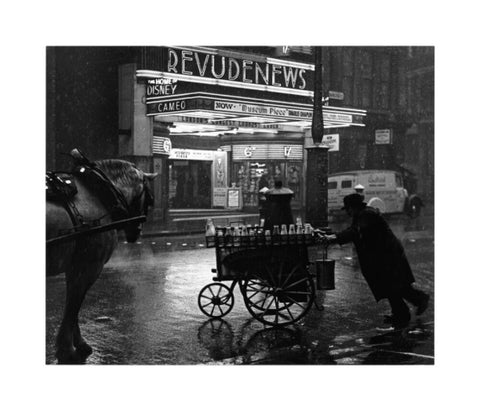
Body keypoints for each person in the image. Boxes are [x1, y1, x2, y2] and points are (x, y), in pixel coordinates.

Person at [321, 193, 429, 329]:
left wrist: (334, 238)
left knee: (394, 286)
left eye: (348, 208)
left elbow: (354, 232)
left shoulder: (366, 215)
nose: (347, 212)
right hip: (385, 255)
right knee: (393, 286)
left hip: (389, 256)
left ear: (353, 207)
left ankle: (415, 303)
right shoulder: (361, 214)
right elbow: (353, 231)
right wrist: (335, 236)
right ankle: (404, 311)